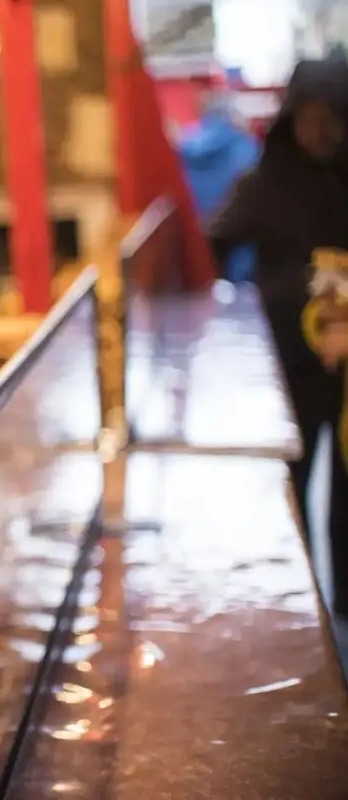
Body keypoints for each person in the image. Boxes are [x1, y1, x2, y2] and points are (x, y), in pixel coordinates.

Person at [208, 59, 348, 609]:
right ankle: (302, 605)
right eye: (308, 120)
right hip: (288, 365)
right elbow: (213, 244)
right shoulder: (264, 185)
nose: (319, 132)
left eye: (330, 119)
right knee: (290, 490)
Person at [179, 93, 260, 283]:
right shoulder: (248, 149)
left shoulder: (181, 150)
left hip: (193, 261)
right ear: (233, 117)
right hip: (242, 267)